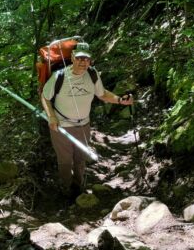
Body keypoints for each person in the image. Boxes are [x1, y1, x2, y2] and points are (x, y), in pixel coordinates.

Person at [41, 50, 133, 197]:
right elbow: (45, 97)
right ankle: (66, 190)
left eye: (87, 59)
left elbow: (102, 94)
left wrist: (120, 100)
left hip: (84, 125)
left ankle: (78, 189)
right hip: (62, 127)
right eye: (79, 58)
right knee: (65, 161)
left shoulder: (92, 74)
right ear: (72, 58)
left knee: (80, 159)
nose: (83, 62)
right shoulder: (59, 76)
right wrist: (51, 116)